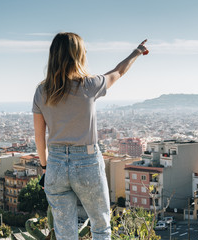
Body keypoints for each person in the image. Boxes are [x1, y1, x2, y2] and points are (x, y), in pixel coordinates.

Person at [32, 32, 148, 240]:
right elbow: (118, 72)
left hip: (55, 166)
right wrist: (136, 52)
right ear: (78, 55)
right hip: (86, 162)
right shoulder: (89, 85)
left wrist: (44, 167)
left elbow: (39, 137)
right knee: (100, 226)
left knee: (65, 233)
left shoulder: (42, 91)